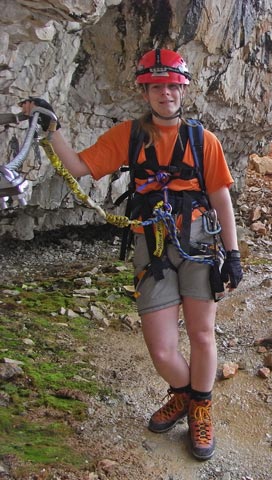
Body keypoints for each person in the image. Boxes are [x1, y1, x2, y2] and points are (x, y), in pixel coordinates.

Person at [20, 48, 243, 461]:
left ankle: (200, 409)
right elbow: (79, 166)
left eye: (172, 85)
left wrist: (232, 253)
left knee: (201, 335)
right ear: (145, 91)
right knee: (161, 349)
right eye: (156, 86)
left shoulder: (203, 140)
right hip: (151, 243)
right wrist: (52, 129)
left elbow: (220, 197)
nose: (165, 93)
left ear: (183, 89)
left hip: (197, 243)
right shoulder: (129, 135)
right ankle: (187, 397)